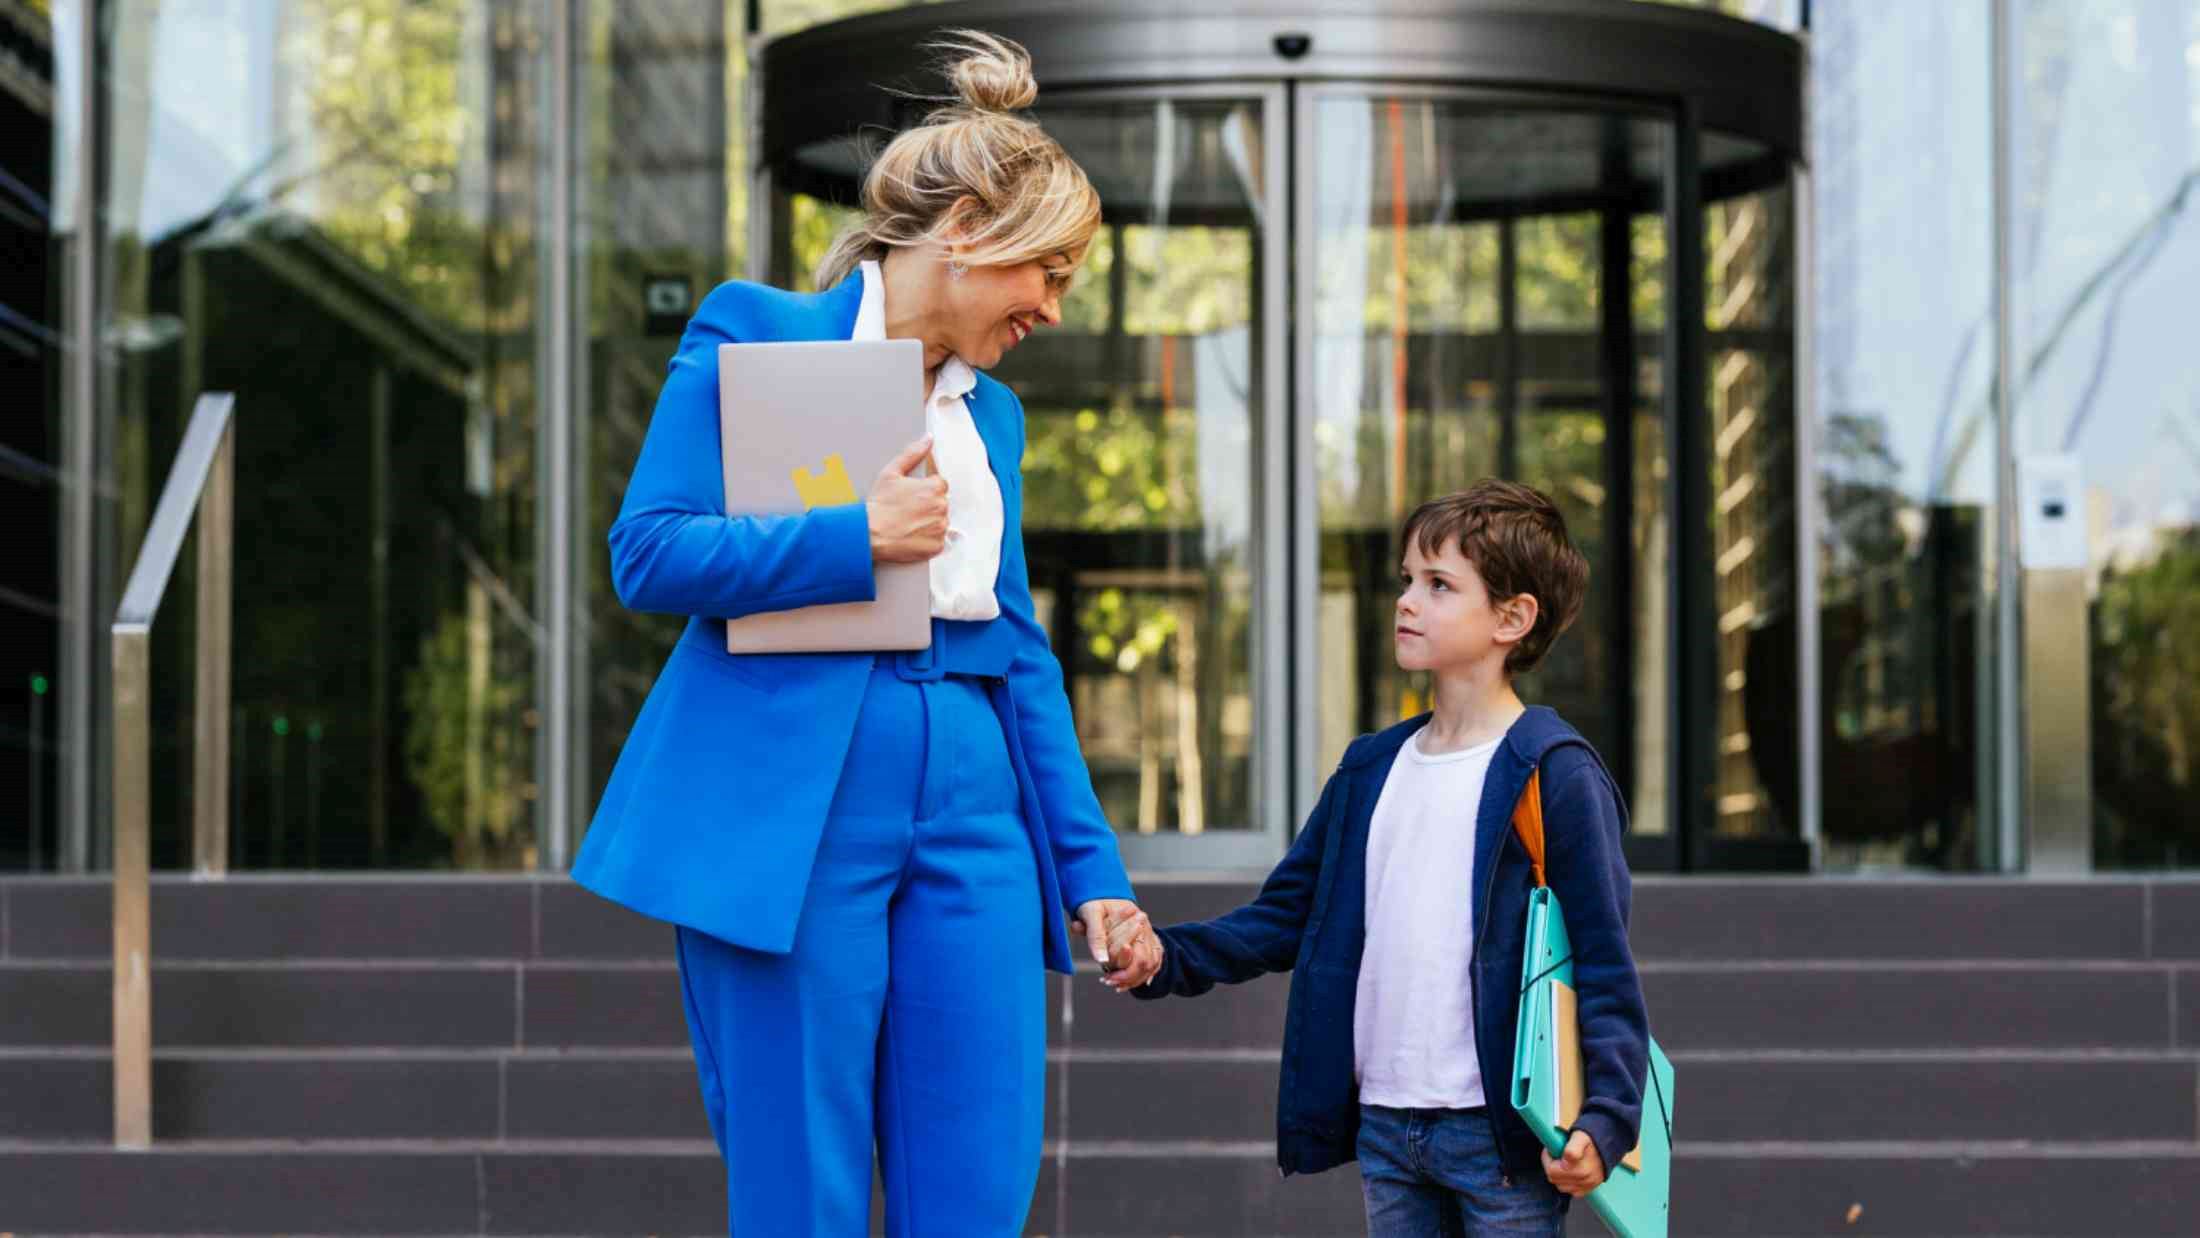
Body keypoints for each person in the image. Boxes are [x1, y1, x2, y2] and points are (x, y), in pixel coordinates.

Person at [571, 31, 1162, 1237]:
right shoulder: (756, 330)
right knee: (802, 1182)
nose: (1051, 307)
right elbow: (652, 549)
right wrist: (856, 535)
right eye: (1042, 272)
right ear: (962, 237)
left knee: (980, 1174)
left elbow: (1021, 646)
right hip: (794, 797)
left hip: (975, 795)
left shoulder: (989, 414)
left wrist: (1092, 871)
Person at [1117, 480, 1651, 1237]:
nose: (1406, 601)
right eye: (1407, 581)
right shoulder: (1370, 769)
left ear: (1512, 617)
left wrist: (1608, 1115)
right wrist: (1165, 957)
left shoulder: (1553, 772)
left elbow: (1602, 959)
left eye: (1439, 585)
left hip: (1501, 1140)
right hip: (1388, 1127)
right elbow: (1282, 918)